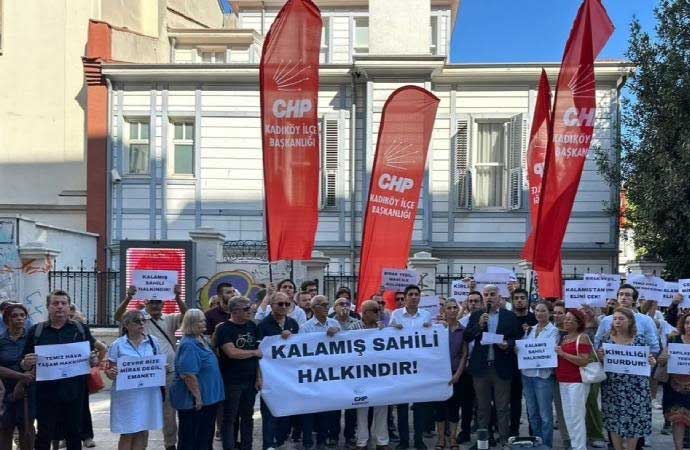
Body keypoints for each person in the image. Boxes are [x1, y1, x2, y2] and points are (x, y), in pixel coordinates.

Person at [20, 290, 100, 450]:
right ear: (48, 307)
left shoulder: (80, 329)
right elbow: (23, 363)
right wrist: (26, 363)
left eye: (63, 303)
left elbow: (93, 357)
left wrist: (94, 360)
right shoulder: (37, 331)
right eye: (55, 303)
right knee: (44, 434)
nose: (60, 307)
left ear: (69, 307)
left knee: (74, 433)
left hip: (75, 391)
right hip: (46, 392)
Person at [114, 284, 186, 450]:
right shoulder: (138, 320)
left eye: (158, 302)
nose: (155, 305)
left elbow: (186, 315)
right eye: (152, 302)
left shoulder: (169, 319)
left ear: (163, 304)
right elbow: (119, 316)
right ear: (146, 302)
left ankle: (170, 444)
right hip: (144, 374)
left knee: (169, 411)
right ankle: (141, 446)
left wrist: (177, 297)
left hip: (167, 372)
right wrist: (129, 297)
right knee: (143, 410)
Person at [463, 285, 522, 449]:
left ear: (499, 296)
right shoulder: (476, 315)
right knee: (482, 408)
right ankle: (484, 440)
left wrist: (507, 344)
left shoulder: (509, 316)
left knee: (502, 407)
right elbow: (467, 337)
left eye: (492, 294)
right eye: (486, 294)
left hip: (501, 368)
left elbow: (517, 337)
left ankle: (504, 439)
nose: (489, 297)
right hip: (481, 369)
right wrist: (479, 326)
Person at [105, 310, 164, 450]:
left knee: (143, 430)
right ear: (126, 325)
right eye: (137, 321)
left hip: (148, 394)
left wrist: (162, 368)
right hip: (127, 396)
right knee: (128, 431)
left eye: (144, 320)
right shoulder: (118, 345)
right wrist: (111, 373)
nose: (142, 324)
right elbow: (110, 371)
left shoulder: (153, 342)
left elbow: (158, 364)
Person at [597, 307, 654, 450]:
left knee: (635, 420)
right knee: (613, 420)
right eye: (615, 319)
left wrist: (651, 361)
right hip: (612, 387)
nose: (617, 321)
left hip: (636, 387)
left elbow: (647, 360)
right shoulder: (606, 339)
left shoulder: (640, 340)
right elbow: (601, 362)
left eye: (621, 319)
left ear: (630, 321)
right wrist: (600, 357)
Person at [170, 309, 224, 450]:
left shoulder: (200, 339)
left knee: (205, 436)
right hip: (195, 402)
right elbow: (188, 375)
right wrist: (198, 398)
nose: (204, 323)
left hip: (208, 399)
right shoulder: (189, 345)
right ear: (192, 323)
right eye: (201, 321)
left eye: (203, 320)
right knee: (192, 438)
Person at [390, 285, 433, 450]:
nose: (414, 297)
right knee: (401, 407)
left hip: (421, 367)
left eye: (417, 294)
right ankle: (404, 440)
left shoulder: (427, 315)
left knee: (420, 407)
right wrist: (392, 329)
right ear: (405, 297)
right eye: (411, 294)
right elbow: (389, 338)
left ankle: (418, 439)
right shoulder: (396, 315)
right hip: (402, 367)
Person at [216, 296, 262, 450]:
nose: (250, 311)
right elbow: (232, 352)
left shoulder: (252, 326)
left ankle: (247, 446)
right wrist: (254, 352)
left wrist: (258, 377)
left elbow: (259, 357)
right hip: (231, 380)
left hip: (250, 380)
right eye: (246, 309)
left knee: (247, 417)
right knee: (229, 418)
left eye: (250, 308)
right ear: (235, 311)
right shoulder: (224, 329)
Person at [257, 292, 300, 450]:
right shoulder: (262, 325)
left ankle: (280, 440)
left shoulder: (293, 323)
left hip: (288, 376)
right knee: (269, 413)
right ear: (271, 305)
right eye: (280, 304)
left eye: (287, 304)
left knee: (286, 413)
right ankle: (268, 445)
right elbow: (259, 352)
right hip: (270, 377)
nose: (283, 307)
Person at [300, 295, 340, 450]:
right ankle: (308, 441)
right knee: (310, 410)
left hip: (331, 373)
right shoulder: (306, 327)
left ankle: (322, 440)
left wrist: (338, 331)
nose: (326, 307)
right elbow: (304, 350)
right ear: (313, 308)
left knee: (326, 409)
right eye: (322, 304)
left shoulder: (334, 323)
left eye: (327, 304)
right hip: (313, 374)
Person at [519, 301, 559, 449]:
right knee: (532, 413)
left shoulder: (553, 331)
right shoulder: (529, 330)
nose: (539, 313)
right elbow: (523, 348)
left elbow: (550, 352)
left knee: (545, 415)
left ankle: (547, 445)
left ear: (549, 313)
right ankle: (537, 443)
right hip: (527, 375)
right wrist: (519, 351)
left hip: (543, 376)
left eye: (543, 311)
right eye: (537, 310)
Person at [555, 309, 593, 450]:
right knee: (568, 418)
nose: (566, 321)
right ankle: (574, 445)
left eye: (570, 319)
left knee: (577, 418)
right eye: (565, 318)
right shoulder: (564, 338)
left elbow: (584, 361)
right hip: (563, 381)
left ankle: (580, 447)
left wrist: (563, 354)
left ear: (578, 323)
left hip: (577, 382)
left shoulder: (583, 337)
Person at [355, 300, 390, 450]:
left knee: (381, 407)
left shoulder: (382, 328)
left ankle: (382, 441)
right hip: (360, 374)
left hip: (379, 374)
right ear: (365, 312)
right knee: (361, 408)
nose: (379, 313)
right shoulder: (353, 328)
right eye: (375, 311)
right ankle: (361, 442)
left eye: (379, 310)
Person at [0, 303, 35, 450]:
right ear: (7, 319)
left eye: (22, 316)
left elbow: (38, 364)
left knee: (26, 428)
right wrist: (20, 376)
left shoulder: (32, 338)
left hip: (28, 391)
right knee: (4, 429)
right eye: (15, 316)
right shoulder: (1, 341)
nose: (20, 319)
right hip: (5, 392)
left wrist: (22, 383)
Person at [433, 299, 467, 450]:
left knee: (454, 407)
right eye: (449, 308)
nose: (452, 310)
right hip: (439, 374)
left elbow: (464, 354)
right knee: (440, 407)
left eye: (455, 308)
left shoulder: (463, 329)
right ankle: (441, 438)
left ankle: (453, 437)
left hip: (457, 373)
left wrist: (458, 374)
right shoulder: (437, 329)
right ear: (444, 311)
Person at [594, 284, 660, 355]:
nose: (623, 297)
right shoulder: (606, 320)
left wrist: (649, 360)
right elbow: (597, 342)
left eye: (627, 295)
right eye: (621, 294)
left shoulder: (646, 320)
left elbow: (654, 346)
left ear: (634, 300)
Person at [659, 310, 690, 450]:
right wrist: (664, 358)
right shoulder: (673, 339)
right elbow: (660, 360)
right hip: (674, 386)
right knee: (678, 419)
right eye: (688, 322)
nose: (689, 326)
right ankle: (679, 448)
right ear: (683, 324)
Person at [456, 291, 483, 445]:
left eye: (476, 301)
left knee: (483, 404)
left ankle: (484, 434)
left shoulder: (488, 319)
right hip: (467, 366)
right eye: (471, 301)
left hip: (483, 367)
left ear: (481, 303)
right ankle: (464, 431)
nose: (473, 304)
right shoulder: (463, 321)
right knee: (466, 402)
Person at [509, 288, 535, 437]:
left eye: (522, 298)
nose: (519, 300)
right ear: (512, 301)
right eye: (516, 298)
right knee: (514, 401)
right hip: (512, 366)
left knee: (532, 402)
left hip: (531, 367)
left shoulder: (534, 318)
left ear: (527, 300)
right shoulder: (508, 318)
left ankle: (533, 432)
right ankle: (514, 432)